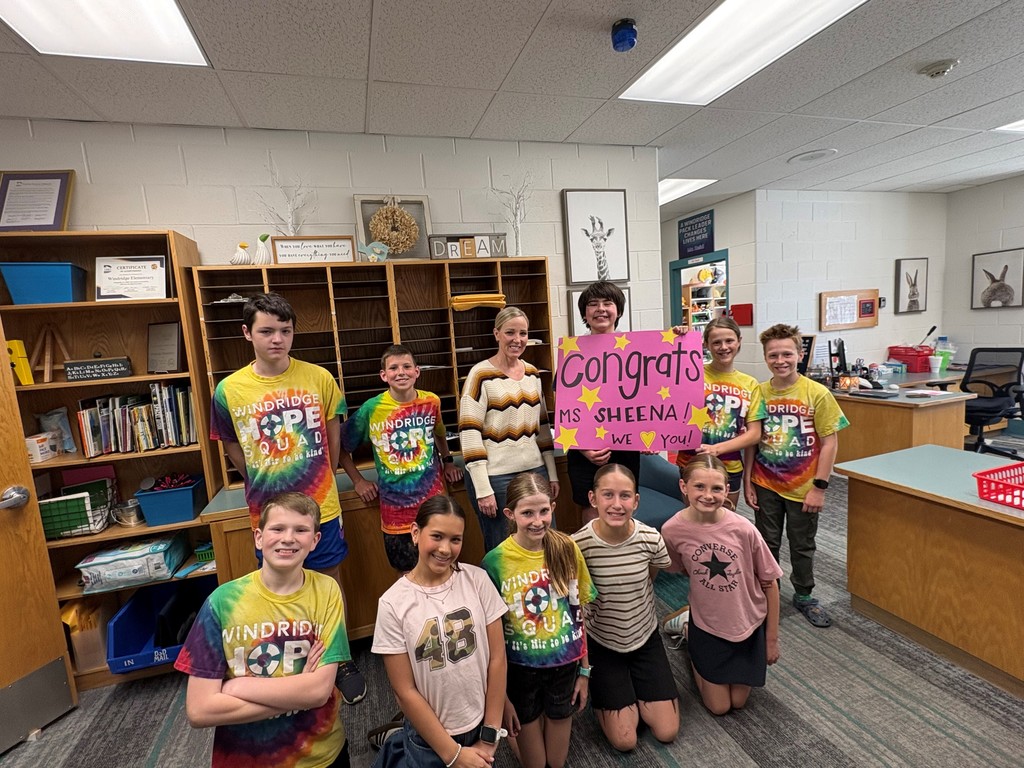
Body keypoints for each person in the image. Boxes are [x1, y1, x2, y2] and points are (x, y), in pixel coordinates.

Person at [209, 292, 365, 703]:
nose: (277, 339)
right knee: (280, 588)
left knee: (329, 584)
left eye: (285, 330)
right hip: (268, 511)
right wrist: (261, 478)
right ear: (247, 333)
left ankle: (339, 656)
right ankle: (292, 663)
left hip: (322, 507)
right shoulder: (229, 390)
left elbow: (333, 443)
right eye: (266, 331)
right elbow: (230, 444)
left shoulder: (319, 378)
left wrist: (319, 477)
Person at [175, 492, 352, 768]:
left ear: (315, 541)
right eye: (278, 528)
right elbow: (199, 710)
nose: (288, 538)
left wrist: (239, 686)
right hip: (246, 759)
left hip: (321, 756)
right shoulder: (222, 603)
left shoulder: (327, 592)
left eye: (301, 530)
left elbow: (318, 692)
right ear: (258, 537)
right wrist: (297, 693)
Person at [372, 496, 508, 768]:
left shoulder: (477, 580)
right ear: (415, 533)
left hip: (480, 724)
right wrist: (452, 754)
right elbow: (405, 691)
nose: (445, 549)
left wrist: (490, 734)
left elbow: (497, 659)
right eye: (437, 536)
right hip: (429, 738)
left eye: (455, 539)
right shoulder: (392, 603)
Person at [481, 473, 595, 768]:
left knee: (555, 764)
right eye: (527, 513)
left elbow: (578, 613)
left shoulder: (567, 548)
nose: (537, 520)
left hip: (564, 667)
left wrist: (584, 671)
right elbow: (491, 636)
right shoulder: (494, 562)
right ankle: (515, 734)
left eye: (544, 511)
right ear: (510, 514)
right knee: (536, 764)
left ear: (553, 508)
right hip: (520, 672)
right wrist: (501, 698)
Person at [743, 323, 849, 629]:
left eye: (787, 353)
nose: (780, 360)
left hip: (804, 487)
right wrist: (750, 480)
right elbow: (753, 440)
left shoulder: (817, 393)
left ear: (800, 355)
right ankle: (766, 592)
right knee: (766, 542)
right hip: (765, 483)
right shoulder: (758, 393)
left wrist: (820, 487)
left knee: (802, 544)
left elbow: (830, 442)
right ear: (765, 358)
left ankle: (804, 595)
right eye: (773, 355)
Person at [662, 454, 782, 715]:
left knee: (738, 702)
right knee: (719, 707)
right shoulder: (672, 530)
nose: (708, 495)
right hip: (708, 623)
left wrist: (771, 639)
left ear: (727, 490)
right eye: (699, 487)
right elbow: (678, 567)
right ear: (684, 487)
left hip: (747, 624)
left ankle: (685, 624)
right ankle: (688, 630)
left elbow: (770, 582)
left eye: (716, 488)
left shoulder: (743, 529)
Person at [571, 464, 679, 752]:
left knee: (666, 731)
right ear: (593, 499)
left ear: (636, 501)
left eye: (625, 496)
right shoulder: (578, 545)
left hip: (645, 635)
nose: (617, 504)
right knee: (624, 740)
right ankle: (606, 690)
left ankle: (683, 629)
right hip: (603, 641)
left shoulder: (650, 538)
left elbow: (651, 576)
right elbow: (576, 602)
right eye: (608, 495)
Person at [339, 344, 463, 573]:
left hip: (434, 506)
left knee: (444, 570)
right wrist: (358, 480)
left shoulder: (431, 402)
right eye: (393, 368)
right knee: (407, 577)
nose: (401, 372)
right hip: (396, 513)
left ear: (417, 371)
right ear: (384, 375)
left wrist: (447, 461)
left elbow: (439, 432)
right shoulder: (372, 409)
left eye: (407, 366)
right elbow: (339, 445)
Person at [460, 306, 559, 552]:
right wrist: (483, 489)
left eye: (523, 333)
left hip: (535, 472)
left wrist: (552, 473)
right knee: (502, 547)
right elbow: (469, 434)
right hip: (496, 478)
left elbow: (543, 429)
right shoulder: (480, 375)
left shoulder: (533, 375)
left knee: (545, 542)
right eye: (510, 332)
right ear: (497, 334)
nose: (517, 340)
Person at [565, 281, 642, 523]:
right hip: (584, 452)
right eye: (593, 304)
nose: (601, 309)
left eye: (608, 303)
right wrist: (583, 447)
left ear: (618, 310)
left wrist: (650, 434)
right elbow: (563, 412)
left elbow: (649, 400)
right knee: (591, 510)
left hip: (626, 448)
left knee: (624, 505)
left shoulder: (637, 351)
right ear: (584, 314)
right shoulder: (572, 353)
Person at [674, 316, 766, 508]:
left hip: (729, 466)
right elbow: (662, 374)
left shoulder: (750, 384)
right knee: (691, 520)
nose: (723, 347)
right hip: (690, 463)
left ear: (739, 341)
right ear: (706, 344)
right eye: (716, 342)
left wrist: (716, 449)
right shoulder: (691, 373)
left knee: (724, 523)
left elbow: (754, 434)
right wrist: (676, 340)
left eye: (729, 341)